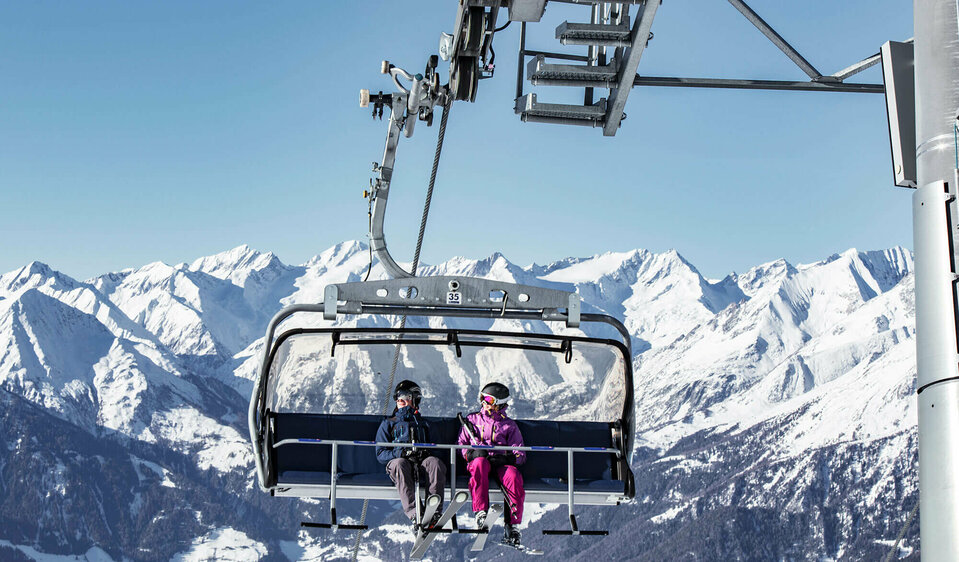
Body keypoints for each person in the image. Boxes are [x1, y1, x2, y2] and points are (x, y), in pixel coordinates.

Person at [457, 382, 527, 547]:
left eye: (488, 399)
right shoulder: (472, 420)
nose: (484, 402)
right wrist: (472, 454)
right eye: (483, 398)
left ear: (499, 404)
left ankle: (513, 525)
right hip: (480, 461)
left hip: (499, 463)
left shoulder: (509, 425)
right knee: (480, 463)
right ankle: (481, 511)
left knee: (513, 475)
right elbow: (461, 445)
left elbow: (520, 453)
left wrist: (507, 459)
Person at [375, 380, 447, 534]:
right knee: (399, 464)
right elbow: (381, 454)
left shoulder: (425, 425)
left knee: (435, 463)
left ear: (414, 399)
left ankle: (433, 510)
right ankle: (415, 513)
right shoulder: (389, 424)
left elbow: (439, 450)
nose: (399, 400)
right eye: (397, 397)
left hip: (422, 463)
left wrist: (426, 452)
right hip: (400, 463)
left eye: (404, 396)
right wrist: (399, 452)